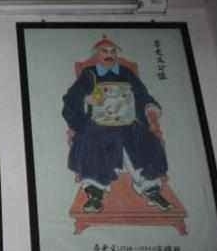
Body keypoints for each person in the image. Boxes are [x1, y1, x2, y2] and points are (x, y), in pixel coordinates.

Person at [62, 36, 171, 213]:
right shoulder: (89, 74)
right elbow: (71, 98)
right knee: (92, 141)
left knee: (142, 138)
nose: (109, 55)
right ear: (97, 55)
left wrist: (151, 115)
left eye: (113, 51)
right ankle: (95, 194)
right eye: (104, 51)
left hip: (128, 121)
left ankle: (151, 189)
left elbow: (143, 95)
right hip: (98, 122)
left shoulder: (126, 73)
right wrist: (86, 99)